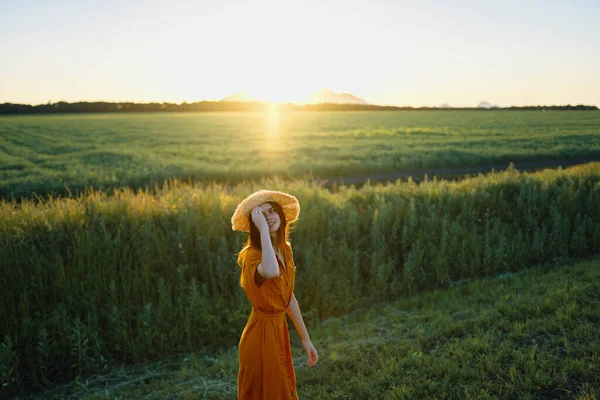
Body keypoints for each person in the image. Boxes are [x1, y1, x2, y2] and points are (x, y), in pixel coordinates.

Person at [231, 190, 318, 399]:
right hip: (260, 336)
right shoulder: (252, 256)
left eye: (271, 211)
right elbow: (271, 271)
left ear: (280, 214)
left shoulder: (285, 250)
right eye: (261, 215)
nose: (269, 217)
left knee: (281, 389)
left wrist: (306, 339)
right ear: (255, 223)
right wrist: (262, 231)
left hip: (278, 330)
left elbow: (288, 298)